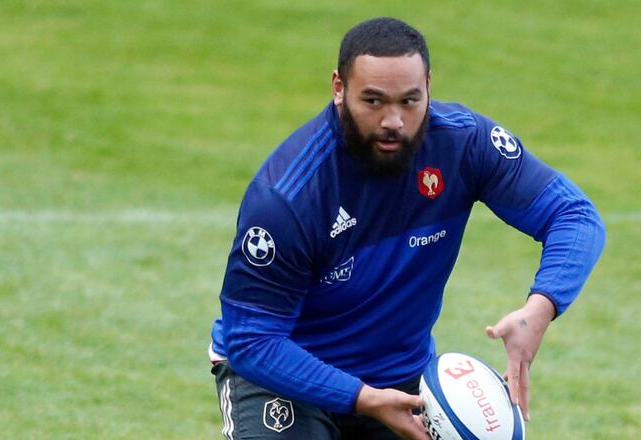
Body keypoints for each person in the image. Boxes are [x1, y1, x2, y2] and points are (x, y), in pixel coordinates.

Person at [208, 17, 605, 440]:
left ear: (429, 86)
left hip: (399, 379)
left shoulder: (464, 145)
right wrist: (362, 398)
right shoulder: (289, 196)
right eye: (374, 101)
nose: (393, 121)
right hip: (283, 378)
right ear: (339, 88)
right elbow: (253, 341)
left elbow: (574, 216)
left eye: (410, 101)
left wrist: (539, 309)